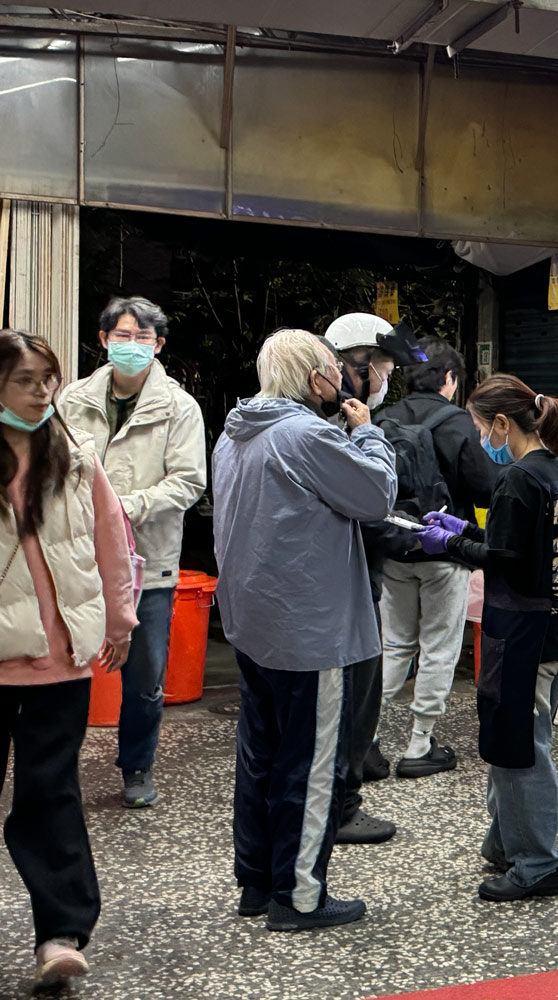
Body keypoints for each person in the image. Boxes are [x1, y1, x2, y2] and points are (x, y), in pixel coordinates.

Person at [213, 328, 396, 931]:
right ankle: (300, 895)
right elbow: (374, 494)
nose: (340, 379)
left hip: (253, 620)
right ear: (315, 379)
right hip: (309, 628)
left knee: (261, 754)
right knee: (310, 764)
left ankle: (256, 881)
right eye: (333, 370)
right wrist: (367, 430)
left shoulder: (237, 431)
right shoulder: (303, 433)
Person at [0, 330, 137, 987]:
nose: (41, 392)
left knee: (51, 795)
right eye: (26, 380)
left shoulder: (73, 454)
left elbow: (112, 541)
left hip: (60, 662)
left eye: (47, 378)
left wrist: (121, 620)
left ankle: (59, 934)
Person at [414, 374, 558, 901]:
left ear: (503, 424)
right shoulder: (554, 472)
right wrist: (463, 529)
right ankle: (506, 839)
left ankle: (537, 863)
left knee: (518, 749)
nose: (480, 436)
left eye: (481, 426)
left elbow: (506, 559)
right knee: (523, 740)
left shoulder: (517, 478)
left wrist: (450, 546)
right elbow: (518, 541)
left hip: (526, 635)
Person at [56, 296, 207, 808]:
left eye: (143, 338)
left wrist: (122, 507)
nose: (132, 346)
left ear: (159, 345)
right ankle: (58, 768)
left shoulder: (180, 406)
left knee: (145, 677)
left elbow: (188, 482)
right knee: (68, 668)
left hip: (150, 563)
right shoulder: (72, 400)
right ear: (103, 340)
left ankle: (137, 766)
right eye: (122, 336)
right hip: (77, 558)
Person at [374, 336, 498, 779]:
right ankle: (418, 745)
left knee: (395, 644)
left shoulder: (381, 418)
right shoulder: (457, 423)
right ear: (449, 378)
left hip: (394, 549)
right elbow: (486, 487)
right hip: (445, 551)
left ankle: (365, 739)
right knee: (439, 648)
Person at [319, 313, 400, 843]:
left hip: (346, 579)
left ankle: (349, 777)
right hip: (341, 586)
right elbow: (374, 499)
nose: (387, 377)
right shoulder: (332, 430)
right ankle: (342, 805)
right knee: (352, 692)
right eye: (383, 367)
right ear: (356, 367)